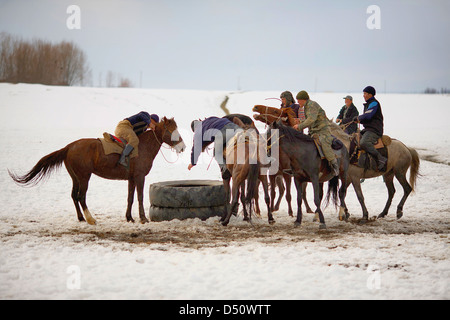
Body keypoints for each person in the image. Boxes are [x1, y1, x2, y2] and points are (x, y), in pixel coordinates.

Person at [293, 90, 340, 176]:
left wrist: (299, 126)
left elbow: (311, 120)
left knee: (324, 143)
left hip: (322, 130)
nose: (297, 102)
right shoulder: (306, 107)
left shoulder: (312, 105)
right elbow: (309, 119)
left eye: (298, 100)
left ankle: (334, 165)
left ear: (303, 99)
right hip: (314, 131)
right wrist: (300, 121)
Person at [353, 86, 387, 171]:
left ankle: (381, 158)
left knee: (364, 142)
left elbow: (368, 115)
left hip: (374, 130)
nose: (363, 95)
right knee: (353, 139)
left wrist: (359, 118)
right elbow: (367, 119)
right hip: (368, 129)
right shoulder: (368, 104)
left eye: (365, 93)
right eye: (363, 93)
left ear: (370, 94)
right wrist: (359, 120)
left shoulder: (374, 103)